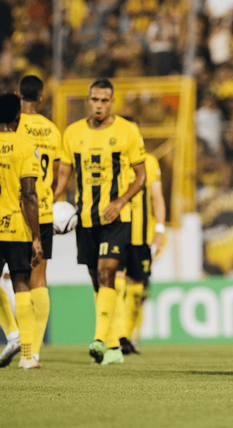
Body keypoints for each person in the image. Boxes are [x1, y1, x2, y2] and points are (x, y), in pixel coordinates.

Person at [54, 78, 147, 365]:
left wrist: (120, 202)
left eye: (104, 100)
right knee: (97, 279)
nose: (99, 105)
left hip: (117, 218)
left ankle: (98, 339)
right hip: (85, 218)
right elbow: (63, 176)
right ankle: (113, 346)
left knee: (108, 273)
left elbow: (141, 176)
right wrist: (50, 203)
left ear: (112, 102)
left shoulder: (127, 131)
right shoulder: (72, 133)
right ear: (88, 100)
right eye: (95, 100)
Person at [115, 118, 166, 354]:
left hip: (141, 236)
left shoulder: (149, 161)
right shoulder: (112, 160)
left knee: (137, 288)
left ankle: (129, 336)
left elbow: (157, 197)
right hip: (116, 232)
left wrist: (159, 230)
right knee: (116, 283)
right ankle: (118, 336)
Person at [0, 93, 43, 369]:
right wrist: (37, 236)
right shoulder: (26, 145)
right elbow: (29, 195)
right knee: (21, 283)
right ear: (18, 118)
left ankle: (12, 334)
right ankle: (27, 355)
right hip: (16, 225)